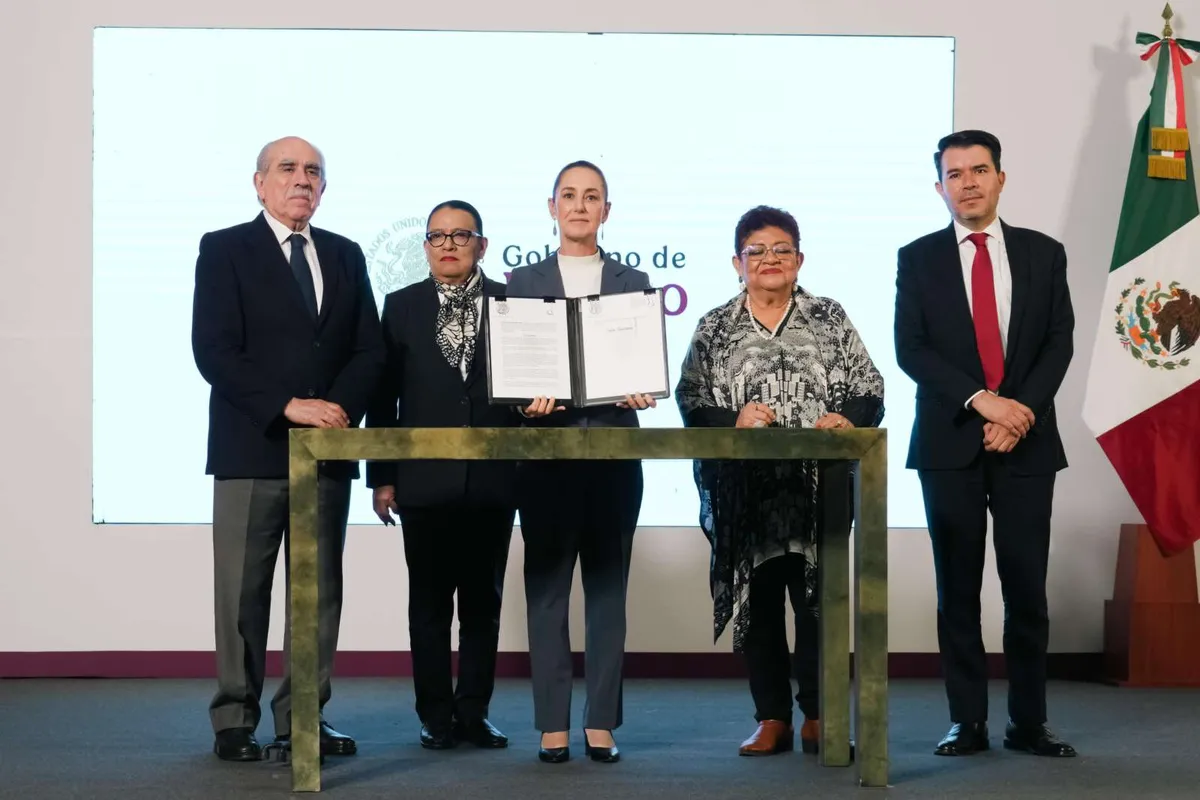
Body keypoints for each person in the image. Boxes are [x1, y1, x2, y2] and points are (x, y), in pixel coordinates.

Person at [191, 136, 384, 762]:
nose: (301, 179)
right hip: (253, 448)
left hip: (326, 453)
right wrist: (288, 405)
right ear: (259, 183)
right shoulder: (224, 249)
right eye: (288, 169)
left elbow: (369, 350)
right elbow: (215, 350)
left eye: (313, 172)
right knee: (243, 592)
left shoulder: (347, 255)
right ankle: (234, 721)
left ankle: (302, 717)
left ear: (323, 189)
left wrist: (339, 410)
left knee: (318, 593)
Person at [677, 205, 884, 757]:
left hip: (819, 491)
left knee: (820, 605)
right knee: (761, 604)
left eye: (781, 250)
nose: (769, 260)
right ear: (736, 262)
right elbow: (693, 403)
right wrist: (735, 419)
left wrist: (849, 420)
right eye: (756, 251)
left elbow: (870, 386)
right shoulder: (715, 327)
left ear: (799, 259)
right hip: (749, 496)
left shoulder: (829, 317)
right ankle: (772, 718)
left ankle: (820, 715)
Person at [894, 130, 1076, 758]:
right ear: (939, 186)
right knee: (958, 592)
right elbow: (911, 350)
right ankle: (966, 722)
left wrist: (1019, 411)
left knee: (1027, 587)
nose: (967, 182)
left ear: (1001, 178)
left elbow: (1059, 342)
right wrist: (982, 402)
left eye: (979, 170)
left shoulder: (1043, 254)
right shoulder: (916, 259)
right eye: (955, 173)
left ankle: (1029, 723)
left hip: (1027, 443)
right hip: (949, 446)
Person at [505, 160, 657, 764]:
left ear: (606, 211)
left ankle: (600, 721)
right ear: (551, 208)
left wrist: (642, 385)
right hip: (546, 456)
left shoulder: (633, 279)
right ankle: (550, 723)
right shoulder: (521, 281)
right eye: (569, 195)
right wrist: (526, 402)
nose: (579, 205)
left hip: (616, 452)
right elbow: (513, 369)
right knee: (545, 591)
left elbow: (641, 361)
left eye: (592, 196)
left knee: (607, 591)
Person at [366, 200, 518, 751]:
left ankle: (473, 712)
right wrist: (382, 477)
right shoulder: (400, 307)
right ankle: (434, 715)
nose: (448, 245)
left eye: (461, 235)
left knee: (483, 605)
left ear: (482, 244)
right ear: (426, 247)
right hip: (421, 482)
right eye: (437, 236)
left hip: (493, 482)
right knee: (428, 606)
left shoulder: (511, 303)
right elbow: (383, 401)